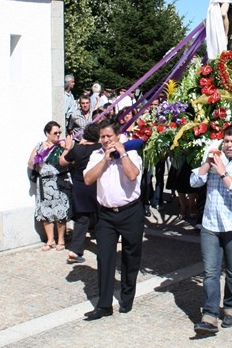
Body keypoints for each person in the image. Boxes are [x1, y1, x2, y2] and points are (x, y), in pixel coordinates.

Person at [190, 124, 232, 336]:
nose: (228, 145)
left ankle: (231, 306)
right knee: (210, 272)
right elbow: (193, 182)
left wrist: (223, 173)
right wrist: (206, 165)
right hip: (210, 225)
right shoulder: (214, 160)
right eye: (226, 141)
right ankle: (209, 315)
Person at [82, 120, 145, 320]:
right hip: (106, 215)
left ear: (117, 135)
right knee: (104, 257)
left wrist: (122, 154)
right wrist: (105, 160)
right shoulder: (96, 155)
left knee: (130, 256)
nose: (106, 140)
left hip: (130, 211)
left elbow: (133, 174)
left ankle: (127, 298)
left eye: (109, 136)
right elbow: (88, 179)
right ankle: (104, 305)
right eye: (103, 137)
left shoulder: (132, 152)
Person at [59, 123, 100, 264]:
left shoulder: (77, 149)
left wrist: (67, 148)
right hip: (96, 185)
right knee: (101, 217)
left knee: (82, 219)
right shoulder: (100, 149)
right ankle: (105, 246)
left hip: (80, 185)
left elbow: (62, 161)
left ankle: (75, 250)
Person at [28, 121, 72, 251]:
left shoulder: (62, 146)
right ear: (47, 133)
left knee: (60, 211)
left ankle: (61, 240)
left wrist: (66, 148)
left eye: (59, 132)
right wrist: (36, 161)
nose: (58, 135)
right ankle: (50, 240)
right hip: (44, 183)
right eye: (55, 133)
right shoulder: (39, 146)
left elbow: (66, 162)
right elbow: (30, 163)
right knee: (46, 212)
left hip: (59, 181)